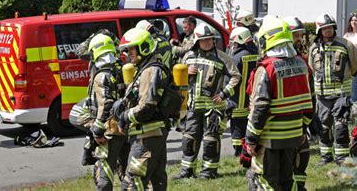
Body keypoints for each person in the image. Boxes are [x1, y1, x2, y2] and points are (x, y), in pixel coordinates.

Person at [245, 17, 314, 190]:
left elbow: (260, 108)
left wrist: (251, 140)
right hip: (293, 137)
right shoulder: (302, 64)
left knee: (263, 182)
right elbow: (310, 103)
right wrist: (301, 129)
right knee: (286, 182)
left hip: (269, 140)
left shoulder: (267, 68)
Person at [174, 23, 241, 179]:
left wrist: (224, 94)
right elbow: (178, 79)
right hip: (193, 107)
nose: (208, 42)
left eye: (211, 39)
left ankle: (208, 172)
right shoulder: (188, 56)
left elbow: (236, 77)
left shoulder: (222, 57)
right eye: (204, 40)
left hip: (213, 108)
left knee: (211, 141)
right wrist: (186, 72)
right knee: (189, 140)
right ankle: (187, 172)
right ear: (197, 41)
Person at [114, 28, 169, 190]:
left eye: (131, 49)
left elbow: (146, 107)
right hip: (153, 135)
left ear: (144, 47)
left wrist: (124, 116)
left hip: (147, 136)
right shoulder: (147, 68)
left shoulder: (150, 70)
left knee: (132, 181)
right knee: (155, 180)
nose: (128, 53)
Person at [308, 14, 357, 165]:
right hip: (322, 96)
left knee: (341, 126)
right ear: (319, 31)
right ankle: (325, 156)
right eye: (325, 29)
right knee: (324, 127)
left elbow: (355, 65)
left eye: (330, 27)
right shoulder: (314, 48)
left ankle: (342, 157)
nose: (328, 31)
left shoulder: (346, 45)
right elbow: (312, 69)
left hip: (341, 94)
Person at [86, 34, 127, 190]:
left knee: (106, 167)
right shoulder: (119, 68)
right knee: (125, 166)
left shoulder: (102, 75)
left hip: (110, 129)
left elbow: (105, 104)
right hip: (124, 126)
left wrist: (97, 130)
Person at [283, 16, 314, 190]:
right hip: (281, 120)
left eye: (301, 35)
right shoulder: (273, 62)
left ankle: (299, 185)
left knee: (302, 152)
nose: (299, 39)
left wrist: (307, 121)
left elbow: (310, 92)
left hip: (300, 116)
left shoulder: (300, 60)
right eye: (296, 35)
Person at [227, 27, 259, 160]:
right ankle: (246, 149)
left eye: (233, 42)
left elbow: (229, 77)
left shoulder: (237, 57)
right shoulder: (255, 54)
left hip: (237, 98)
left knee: (236, 127)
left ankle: (238, 152)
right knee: (247, 126)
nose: (232, 44)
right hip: (251, 99)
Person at [343, 13, 357, 102]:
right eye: (352, 20)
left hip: (356, 63)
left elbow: (354, 47)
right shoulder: (347, 34)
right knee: (346, 89)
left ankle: (355, 110)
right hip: (345, 64)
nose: (354, 22)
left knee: (355, 90)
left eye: (356, 20)